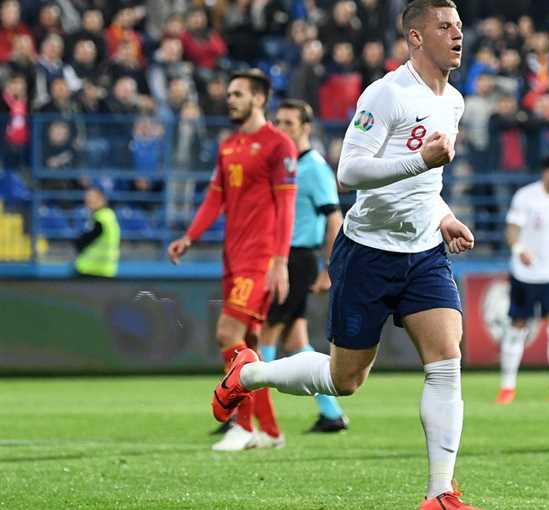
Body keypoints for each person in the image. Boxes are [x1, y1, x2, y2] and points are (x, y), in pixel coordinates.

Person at [211, 2, 481, 508]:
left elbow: (428, 183)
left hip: (424, 250)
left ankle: (440, 492)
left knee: (447, 361)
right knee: (345, 379)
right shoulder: (386, 94)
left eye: (459, 27)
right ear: (416, 37)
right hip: (368, 252)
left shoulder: (454, 101)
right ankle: (248, 374)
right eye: (445, 26)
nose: (457, 35)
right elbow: (350, 172)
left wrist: (443, 214)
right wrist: (420, 159)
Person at [168, 69, 297, 452]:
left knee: (227, 333)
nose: (230, 100)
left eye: (238, 94)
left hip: (260, 258)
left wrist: (280, 260)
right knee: (249, 344)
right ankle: (269, 430)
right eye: (229, 94)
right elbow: (215, 198)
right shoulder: (228, 146)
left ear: (259, 98)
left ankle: (241, 425)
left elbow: (286, 205)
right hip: (233, 257)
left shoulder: (278, 145)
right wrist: (190, 237)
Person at [259, 99, 349, 433]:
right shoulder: (285, 165)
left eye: (289, 123)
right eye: (278, 122)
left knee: (265, 332)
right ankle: (331, 413)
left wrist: (329, 268)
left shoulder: (314, 169)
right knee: (297, 342)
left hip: (297, 259)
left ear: (305, 128)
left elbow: (334, 219)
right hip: (285, 257)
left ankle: (251, 413)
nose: (281, 129)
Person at [496, 154, 549, 406]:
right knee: (517, 328)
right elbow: (512, 230)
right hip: (525, 273)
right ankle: (507, 387)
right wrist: (519, 250)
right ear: (546, 172)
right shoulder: (526, 197)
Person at [74, 185, 120, 278]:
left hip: (94, 271)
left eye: (91, 198)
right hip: (101, 270)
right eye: (87, 198)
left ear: (102, 199)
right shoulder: (107, 216)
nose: (88, 201)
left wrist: (77, 242)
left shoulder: (102, 218)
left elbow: (85, 240)